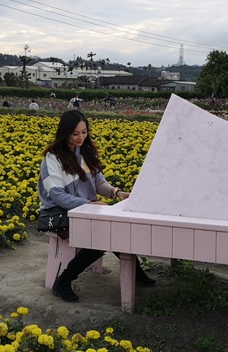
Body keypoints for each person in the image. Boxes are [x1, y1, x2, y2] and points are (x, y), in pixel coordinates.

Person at [38, 110, 155, 302]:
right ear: (65, 132)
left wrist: (116, 192)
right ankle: (63, 282)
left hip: (86, 212)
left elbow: (99, 183)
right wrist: (87, 204)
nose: (81, 137)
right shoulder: (53, 158)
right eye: (75, 134)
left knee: (117, 229)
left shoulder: (85, 152)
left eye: (84, 132)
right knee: (101, 237)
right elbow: (57, 195)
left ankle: (135, 272)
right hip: (59, 213)